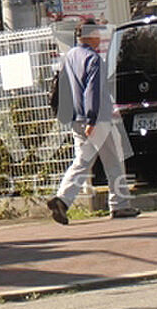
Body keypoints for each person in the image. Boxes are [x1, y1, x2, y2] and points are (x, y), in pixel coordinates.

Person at [47, 18, 140, 224]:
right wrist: (93, 118)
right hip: (97, 119)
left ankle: (63, 199)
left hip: (75, 118)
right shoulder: (93, 59)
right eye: (98, 33)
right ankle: (120, 205)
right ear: (90, 36)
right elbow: (93, 91)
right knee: (114, 161)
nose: (100, 37)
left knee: (81, 161)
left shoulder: (69, 57)